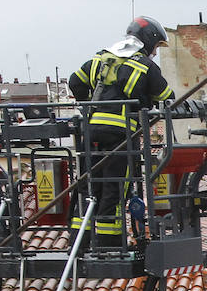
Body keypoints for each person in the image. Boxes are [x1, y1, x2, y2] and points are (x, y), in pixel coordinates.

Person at [68, 16, 175, 248]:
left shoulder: (100, 58)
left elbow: (75, 82)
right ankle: (110, 242)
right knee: (115, 187)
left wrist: (89, 107)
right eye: (156, 47)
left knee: (88, 186)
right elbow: (168, 97)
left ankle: (80, 241)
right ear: (149, 41)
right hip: (121, 137)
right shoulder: (145, 66)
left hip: (91, 133)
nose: (155, 53)